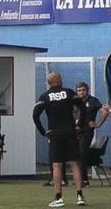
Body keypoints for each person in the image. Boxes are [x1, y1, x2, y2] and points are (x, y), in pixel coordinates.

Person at [34, 69, 89, 208]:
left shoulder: (44, 96)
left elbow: (35, 115)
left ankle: (58, 198)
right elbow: (83, 108)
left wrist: (43, 131)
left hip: (55, 134)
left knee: (57, 165)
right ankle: (80, 196)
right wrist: (79, 126)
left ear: (48, 83)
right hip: (71, 132)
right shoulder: (70, 93)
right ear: (60, 80)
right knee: (74, 163)